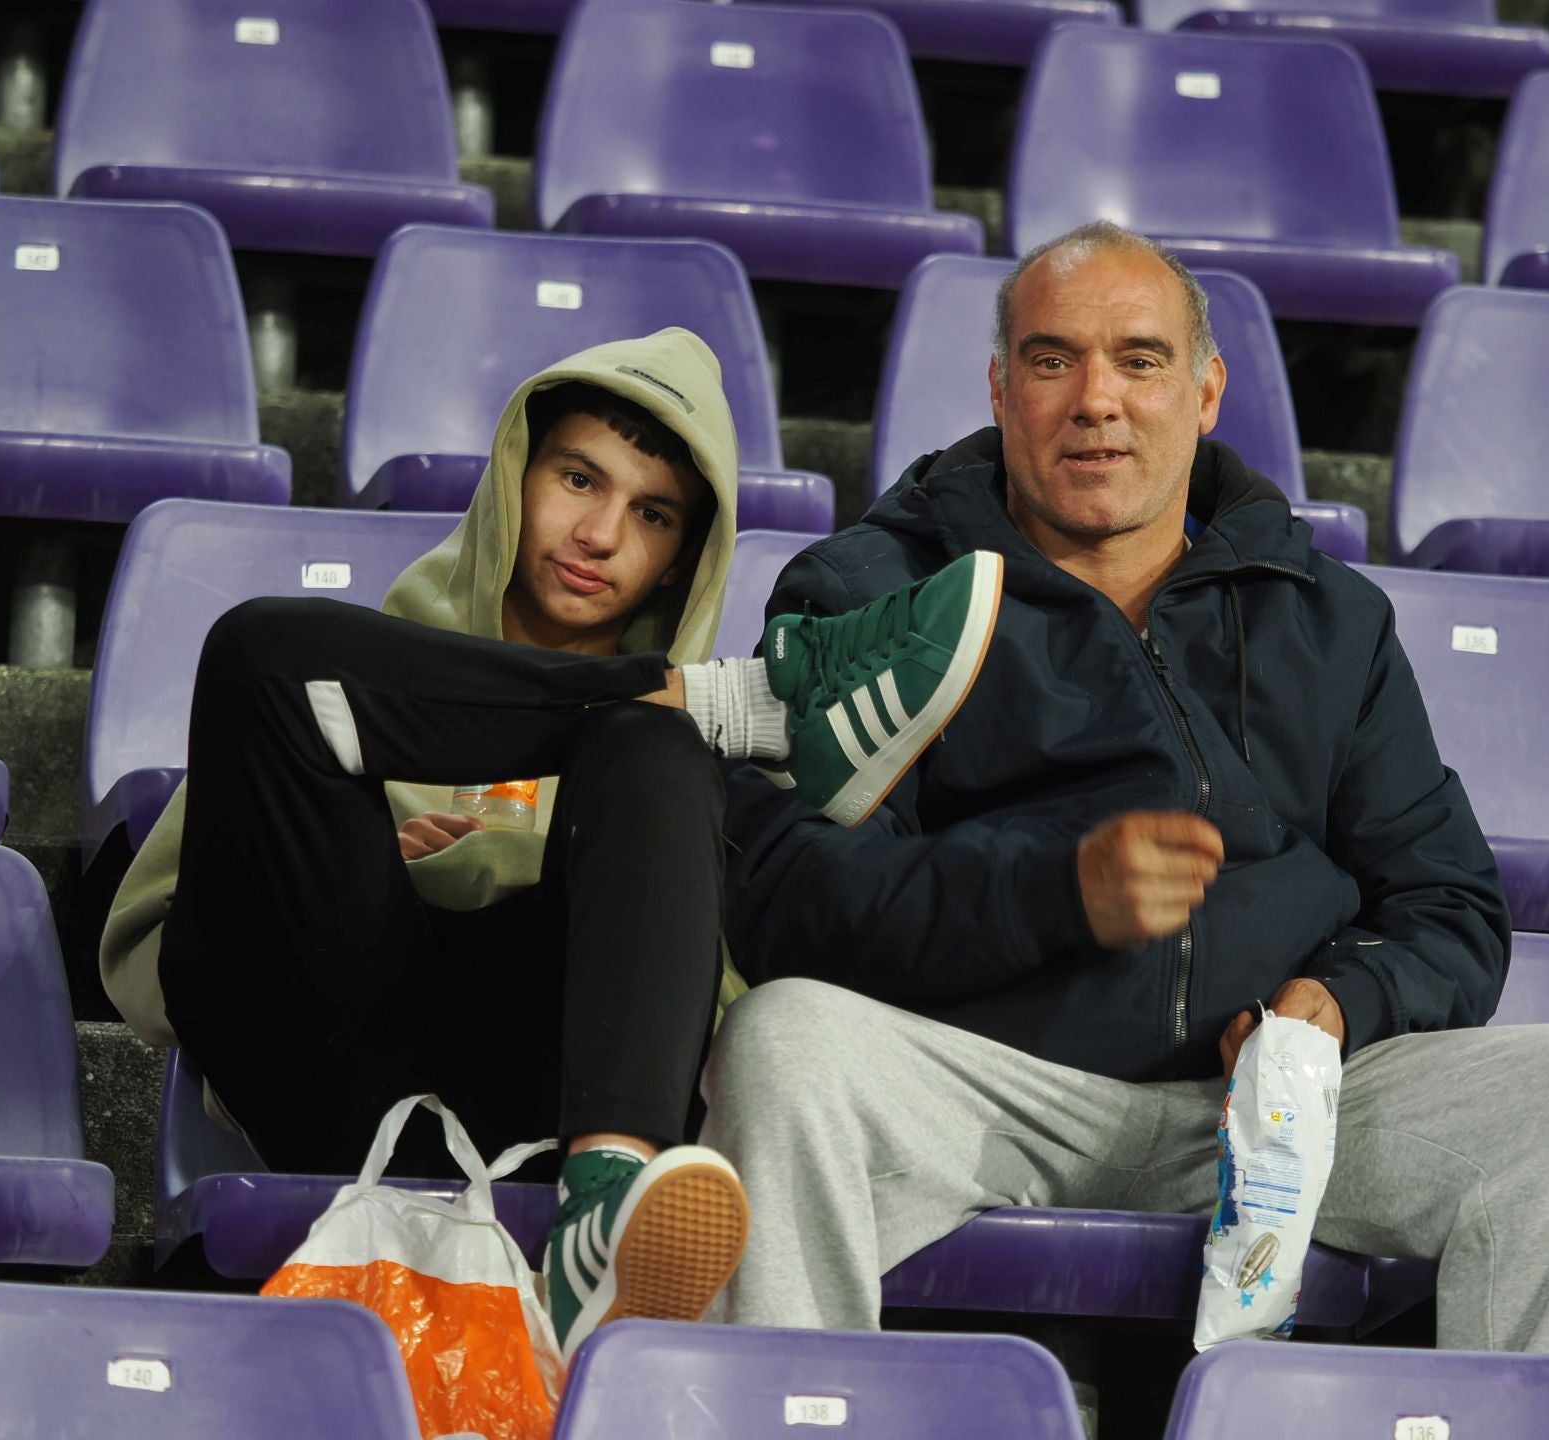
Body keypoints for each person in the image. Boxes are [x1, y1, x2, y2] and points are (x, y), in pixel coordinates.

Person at [705, 225, 1549, 1358]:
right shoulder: (871, 591)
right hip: (985, 1086)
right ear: (1002, 389)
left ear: (1206, 391)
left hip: (1269, 1112)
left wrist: (1338, 1002)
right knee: (784, 1044)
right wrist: (1050, 890)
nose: (1097, 401)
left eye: (1141, 360)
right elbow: (787, 898)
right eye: (1054, 359)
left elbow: (1449, 906)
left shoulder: (1326, 616)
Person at [99, 331, 1003, 1360]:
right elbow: (157, 971)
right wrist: (376, 862)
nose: (602, 533)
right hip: (335, 1070)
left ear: (682, 557)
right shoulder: (344, 678)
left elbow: (724, 1030)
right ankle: (733, 701)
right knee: (262, 653)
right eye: (580, 478)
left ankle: (605, 1206)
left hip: (548, 1103)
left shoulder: (673, 779)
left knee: (656, 747)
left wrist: (522, 859)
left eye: (653, 514)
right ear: (517, 476)